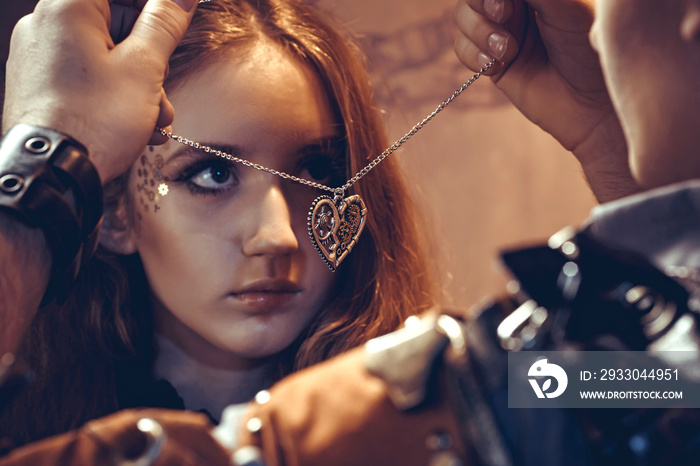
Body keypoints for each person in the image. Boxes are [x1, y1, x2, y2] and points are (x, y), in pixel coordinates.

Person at [0, 0, 437, 451]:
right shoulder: (28, 435)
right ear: (114, 211)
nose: (276, 237)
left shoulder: (436, 404)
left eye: (315, 172)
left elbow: (517, 390)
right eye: (214, 174)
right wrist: (51, 150)